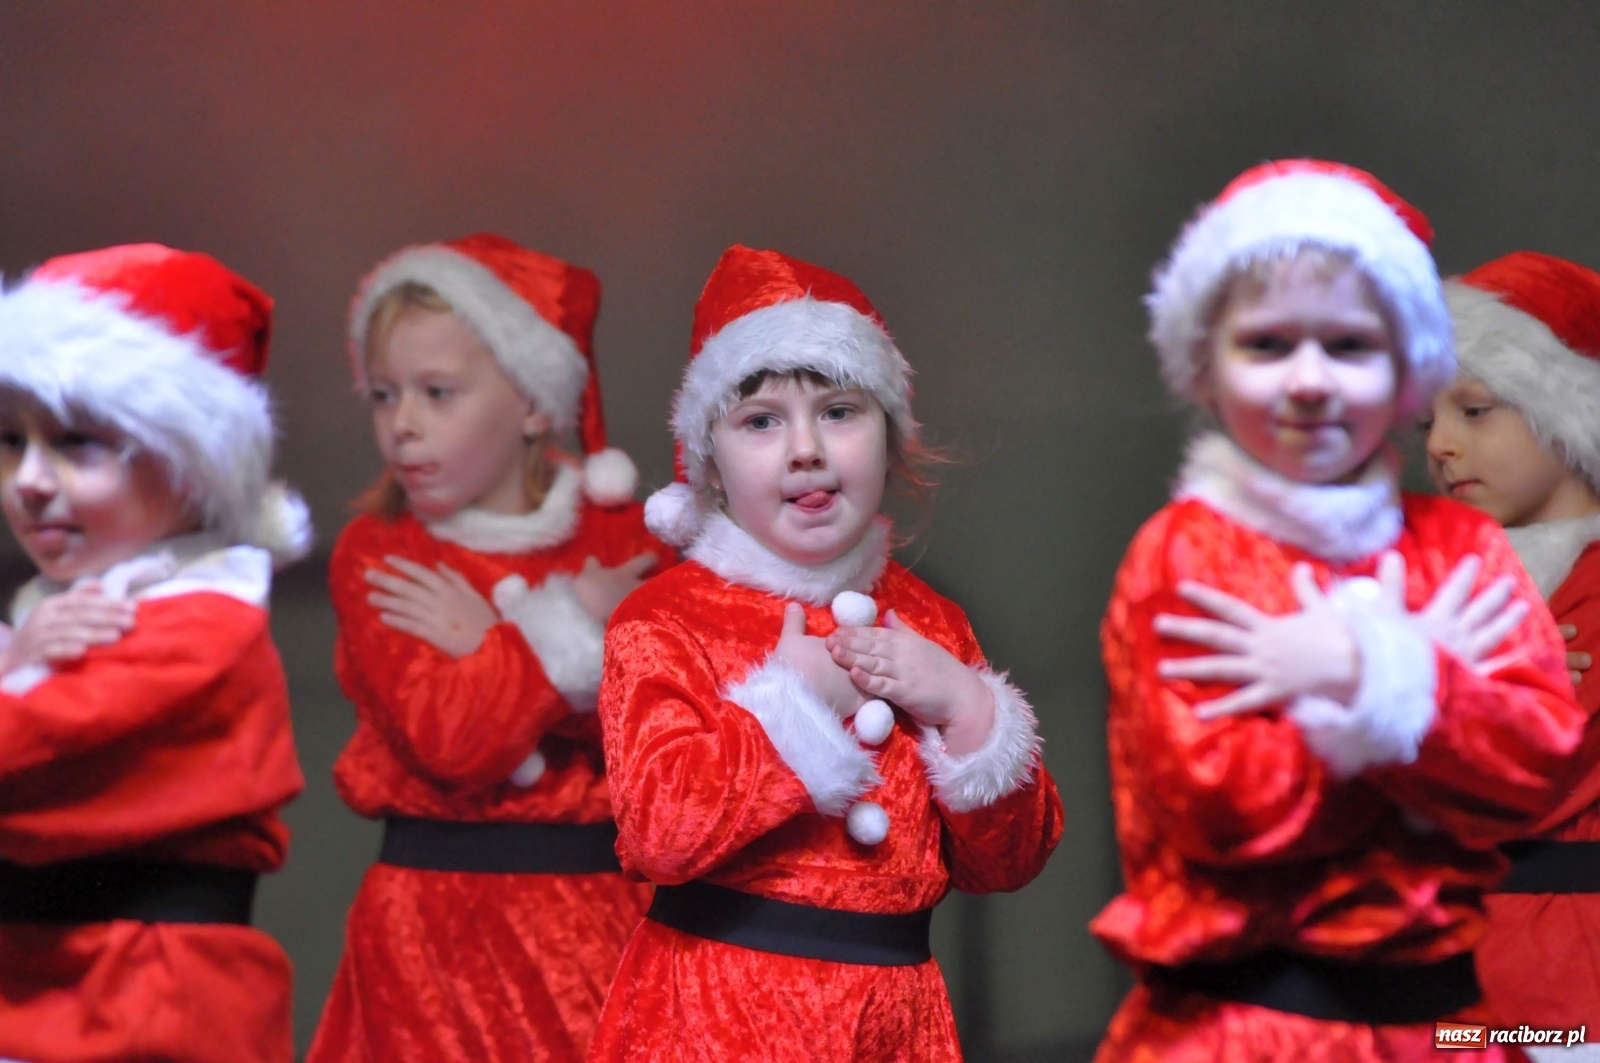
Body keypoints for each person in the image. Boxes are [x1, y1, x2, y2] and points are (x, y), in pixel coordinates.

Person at [1091, 161, 1586, 1062]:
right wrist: (1431, 707)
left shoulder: (1460, 550)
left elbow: (1533, 763)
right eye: (1269, 345)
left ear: (1410, 365)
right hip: (1248, 1032)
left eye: (1350, 347)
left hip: (1448, 1031)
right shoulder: (1187, 553)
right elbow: (1225, 805)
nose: (1310, 382)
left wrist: (1370, 672)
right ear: (1206, 364)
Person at [589, 244, 1063, 1061]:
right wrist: (789, 709)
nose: (805, 448)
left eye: (839, 411)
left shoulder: (932, 621)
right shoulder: (665, 618)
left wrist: (968, 708)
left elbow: (1011, 861)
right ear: (709, 464)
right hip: (715, 1017)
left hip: (895, 1021)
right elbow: (657, 831)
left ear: (890, 437)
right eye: (761, 420)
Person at [307, 234, 673, 1063]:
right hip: (427, 939)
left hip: (597, 929)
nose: (402, 424)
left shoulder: (626, 535)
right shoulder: (381, 551)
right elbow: (453, 738)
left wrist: (491, 647)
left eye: (438, 392)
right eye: (382, 394)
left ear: (535, 404)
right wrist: (571, 625)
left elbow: (667, 724)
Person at [0, 243, 311, 1062]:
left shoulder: (201, 629)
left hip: (145, 1014)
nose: (28, 479)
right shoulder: (60, 615)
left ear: (192, 464)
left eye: (76, 443)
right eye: (10, 441)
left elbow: (27, 753)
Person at [1425, 250, 1600, 1059]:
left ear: (1567, 412)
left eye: (1476, 409)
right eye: (1427, 419)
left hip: (1569, 987)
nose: (1441, 445)